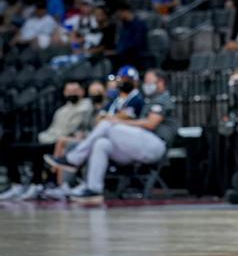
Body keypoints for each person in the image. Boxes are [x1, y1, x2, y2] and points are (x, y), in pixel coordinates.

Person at [44, 69, 174, 205]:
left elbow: (151, 124)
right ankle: (93, 189)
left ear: (160, 82)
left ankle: (73, 159)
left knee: (108, 124)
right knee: (101, 144)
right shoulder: (149, 99)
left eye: (148, 81)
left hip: (155, 146)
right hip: (138, 146)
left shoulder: (162, 98)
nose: (145, 84)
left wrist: (119, 121)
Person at [0, 81, 92, 201]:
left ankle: (36, 184)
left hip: (66, 141)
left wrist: (47, 138)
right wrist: (43, 137)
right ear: (64, 93)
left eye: (75, 91)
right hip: (50, 139)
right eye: (69, 91)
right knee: (11, 149)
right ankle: (16, 185)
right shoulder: (61, 110)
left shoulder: (85, 107)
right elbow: (52, 129)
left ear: (81, 92)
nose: (72, 94)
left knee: (37, 150)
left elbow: (69, 130)